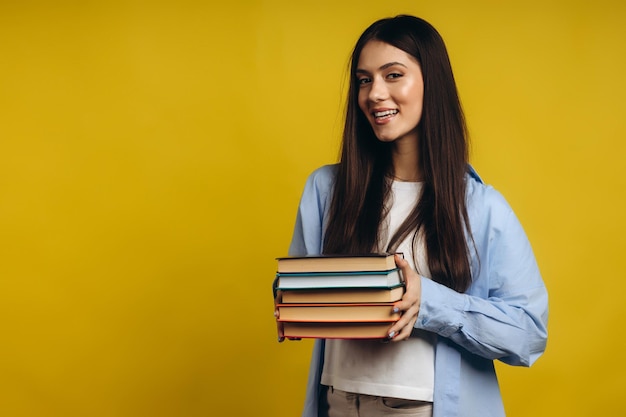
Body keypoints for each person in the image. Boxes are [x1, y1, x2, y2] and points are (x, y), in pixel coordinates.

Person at [275, 14, 548, 417]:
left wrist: (430, 303)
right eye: (364, 80)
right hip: (336, 402)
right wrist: (292, 300)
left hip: (420, 408)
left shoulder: (480, 207)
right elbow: (297, 294)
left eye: (393, 75)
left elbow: (528, 334)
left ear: (431, 84)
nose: (374, 94)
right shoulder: (326, 190)